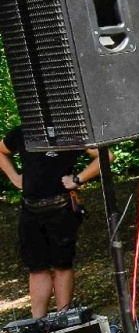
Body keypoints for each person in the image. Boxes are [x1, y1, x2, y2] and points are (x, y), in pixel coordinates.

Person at [0, 128, 101, 318]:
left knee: (62, 264)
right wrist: (15, 177)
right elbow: (1, 151)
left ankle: (65, 319)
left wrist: (78, 179)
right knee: (37, 267)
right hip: (30, 210)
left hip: (61, 208)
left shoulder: (69, 131)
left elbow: (105, 156)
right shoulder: (22, 132)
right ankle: (38, 323)